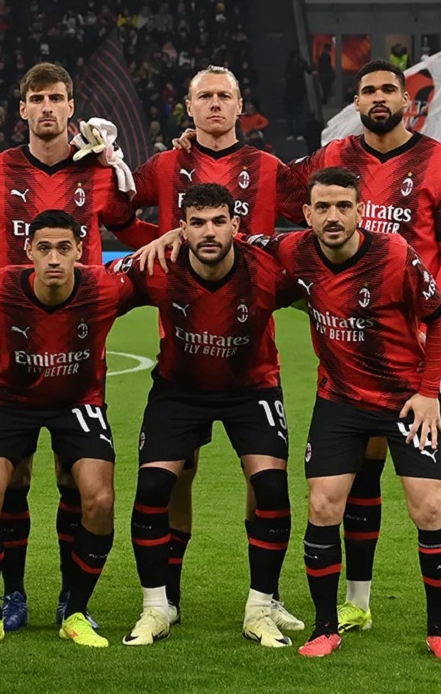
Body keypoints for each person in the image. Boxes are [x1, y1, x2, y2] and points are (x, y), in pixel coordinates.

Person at [0, 62, 154, 633]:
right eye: (37, 99)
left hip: (78, 360)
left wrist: (115, 164)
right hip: (11, 362)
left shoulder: (96, 172)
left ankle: (72, 600)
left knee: (79, 483)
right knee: (8, 482)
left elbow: (127, 217)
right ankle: (10, 597)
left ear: (73, 108)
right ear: (22, 109)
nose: (47, 108)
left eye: (57, 98)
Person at [286, 60, 441, 639]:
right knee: (360, 465)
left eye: (388, 89)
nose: (378, 98)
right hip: (359, 345)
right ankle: (357, 599)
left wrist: (427, 320)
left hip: (427, 335)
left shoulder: (440, 159)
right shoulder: (332, 158)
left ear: (405, 100)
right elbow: (270, 185)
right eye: (368, 90)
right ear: (356, 99)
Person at [266, 167, 441, 660]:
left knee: (430, 507)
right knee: (322, 505)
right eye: (323, 208)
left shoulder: (394, 254)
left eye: (343, 206)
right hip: (340, 401)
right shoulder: (294, 251)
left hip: (405, 401)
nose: (333, 216)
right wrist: (170, 235)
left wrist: (427, 392)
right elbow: (233, 239)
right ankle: (325, 627)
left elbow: (439, 320)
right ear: (306, 214)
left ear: (360, 210)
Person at [134, 66, 302, 632]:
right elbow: (108, 209)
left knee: (267, 483)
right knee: (174, 477)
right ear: (188, 105)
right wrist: (154, 243)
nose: (213, 105)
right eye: (203, 96)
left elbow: (317, 218)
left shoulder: (269, 169)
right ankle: (164, 601)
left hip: (250, 355)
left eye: (223, 96)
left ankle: (267, 597)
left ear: (239, 105)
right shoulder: (162, 166)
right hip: (180, 356)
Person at [0, 210, 137, 649]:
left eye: (63, 248)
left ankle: (74, 607)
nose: (53, 258)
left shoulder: (106, 288)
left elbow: (161, 274)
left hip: (78, 401)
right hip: (8, 401)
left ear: (80, 250)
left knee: (99, 498)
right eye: (44, 248)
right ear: (28, 252)